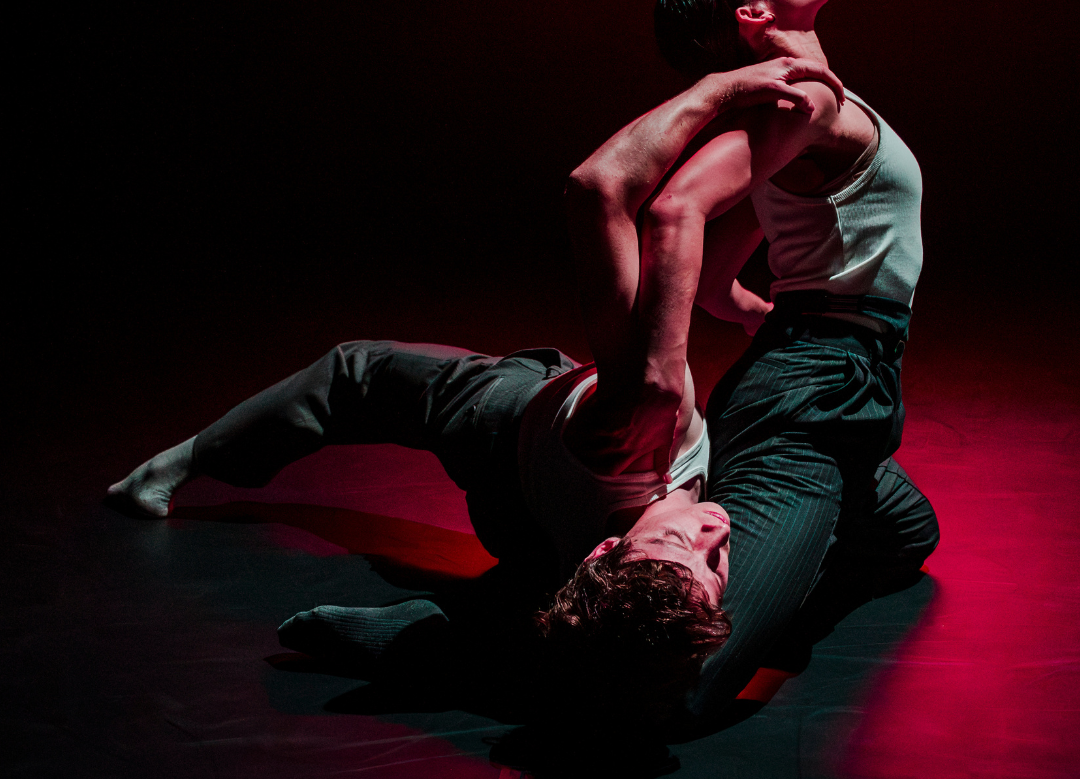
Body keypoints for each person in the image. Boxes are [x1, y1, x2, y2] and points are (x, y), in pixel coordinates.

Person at [106, 57, 846, 731]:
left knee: (354, 373)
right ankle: (420, 625)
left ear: (607, 550)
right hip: (535, 524)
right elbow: (596, 191)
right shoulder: (644, 521)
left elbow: (598, 189)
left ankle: (173, 468)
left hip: (501, 423)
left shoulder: (644, 410)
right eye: (715, 564)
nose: (718, 529)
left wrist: (718, 90)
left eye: (683, 540)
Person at [566, 0, 939, 733]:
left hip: (839, 378)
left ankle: (774, 567)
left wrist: (751, 310)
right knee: (679, 678)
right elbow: (674, 212)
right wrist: (667, 370)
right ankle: (473, 636)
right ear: (752, 15)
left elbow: (716, 274)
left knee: (909, 534)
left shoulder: (805, 106)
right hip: (813, 396)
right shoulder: (800, 103)